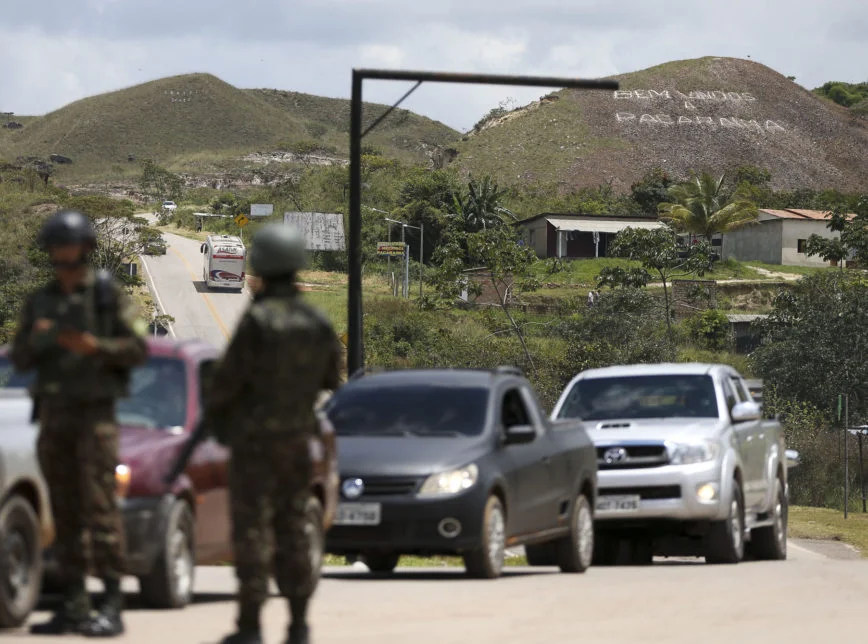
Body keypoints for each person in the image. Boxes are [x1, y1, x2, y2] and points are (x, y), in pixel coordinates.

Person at [201, 224, 342, 644]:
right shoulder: (316, 322)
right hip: (298, 444)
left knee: (252, 532)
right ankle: (298, 624)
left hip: (256, 447)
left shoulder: (258, 321)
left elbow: (226, 384)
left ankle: (250, 625)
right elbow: (331, 378)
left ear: (260, 268)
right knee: (295, 529)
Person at [10, 209, 148, 636]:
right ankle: (73, 603)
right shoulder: (42, 301)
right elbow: (18, 358)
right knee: (65, 512)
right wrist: (39, 339)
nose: (62, 254)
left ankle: (110, 603)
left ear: (85, 248)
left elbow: (138, 348)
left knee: (101, 511)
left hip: (95, 419)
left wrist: (95, 347)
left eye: (68, 246)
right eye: (56, 247)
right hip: (53, 418)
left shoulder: (106, 296)